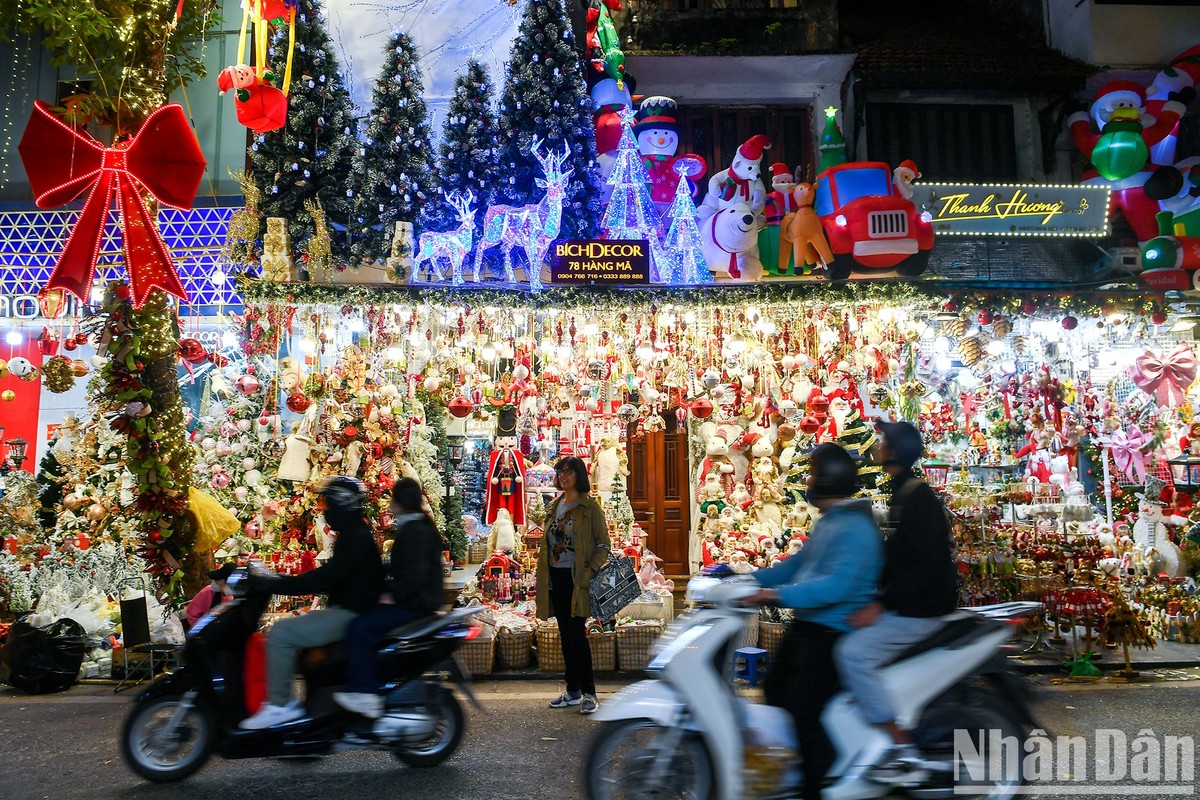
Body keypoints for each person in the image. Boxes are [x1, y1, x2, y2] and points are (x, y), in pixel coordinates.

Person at [742, 443, 883, 800]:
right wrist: (748, 578)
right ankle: (786, 773)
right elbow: (796, 565)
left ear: (831, 479)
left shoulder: (856, 529)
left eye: (815, 473)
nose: (808, 479)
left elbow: (833, 586)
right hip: (808, 629)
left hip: (834, 634)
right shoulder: (831, 521)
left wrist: (777, 595)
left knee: (805, 710)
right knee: (774, 689)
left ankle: (815, 785)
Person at [834, 421, 959, 783]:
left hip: (923, 609)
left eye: (885, 440)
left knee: (853, 653)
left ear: (895, 450)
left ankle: (898, 745)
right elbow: (898, 556)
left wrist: (882, 603)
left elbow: (917, 565)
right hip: (912, 602)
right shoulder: (906, 490)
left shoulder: (916, 497)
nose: (878, 444)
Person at [240, 476, 385, 730]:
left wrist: (277, 583)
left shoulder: (355, 539)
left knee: (281, 633)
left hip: (350, 613)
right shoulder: (354, 534)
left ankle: (280, 706)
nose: (325, 511)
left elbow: (325, 578)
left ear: (342, 505)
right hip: (349, 609)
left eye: (328, 505)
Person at [333, 477, 446, 718]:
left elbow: (414, 574)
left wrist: (393, 595)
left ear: (399, 502)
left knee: (360, 628)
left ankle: (365, 692)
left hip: (416, 603)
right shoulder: (418, 525)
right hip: (420, 599)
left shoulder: (413, 531)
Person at [535, 455, 611, 715]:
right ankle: (572, 690)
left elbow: (603, 544)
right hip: (554, 578)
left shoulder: (590, 509)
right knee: (565, 635)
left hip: (577, 579)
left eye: (568, 471)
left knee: (577, 635)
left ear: (579, 475)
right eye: (560, 472)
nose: (563, 476)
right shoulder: (555, 505)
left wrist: (590, 570)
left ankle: (589, 692)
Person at [185, 562, 236, 628]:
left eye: (217, 579)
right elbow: (191, 614)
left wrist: (227, 597)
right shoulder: (207, 591)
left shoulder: (243, 594)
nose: (214, 581)